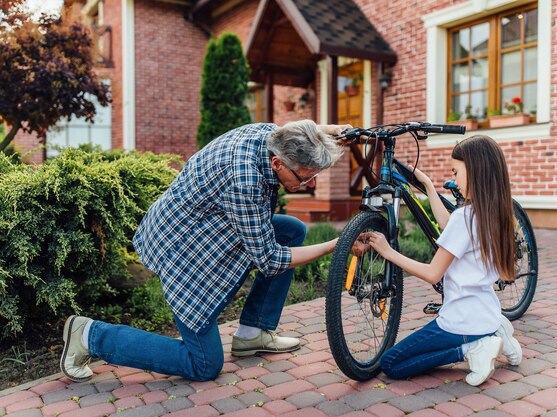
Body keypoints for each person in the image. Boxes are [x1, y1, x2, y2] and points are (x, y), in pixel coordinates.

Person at [60, 120, 359, 383]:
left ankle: (252, 333)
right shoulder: (246, 181)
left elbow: (291, 129)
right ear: (278, 164)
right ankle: (88, 335)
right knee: (204, 364)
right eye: (305, 178)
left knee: (290, 230)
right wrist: (339, 243)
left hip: (205, 223)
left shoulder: (268, 135)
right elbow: (269, 259)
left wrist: (328, 131)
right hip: (181, 247)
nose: (312, 183)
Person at [365, 135, 523, 386]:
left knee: (391, 364)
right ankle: (497, 330)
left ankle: (475, 348)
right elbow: (449, 226)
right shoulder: (493, 214)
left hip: (460, 322)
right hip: (485, 312)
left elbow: (432, 274)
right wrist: (428, 186)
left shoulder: (466, 218)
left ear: (474, 171)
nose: (455, 179)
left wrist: (388, 252)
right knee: (408, 356)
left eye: (456, 171)